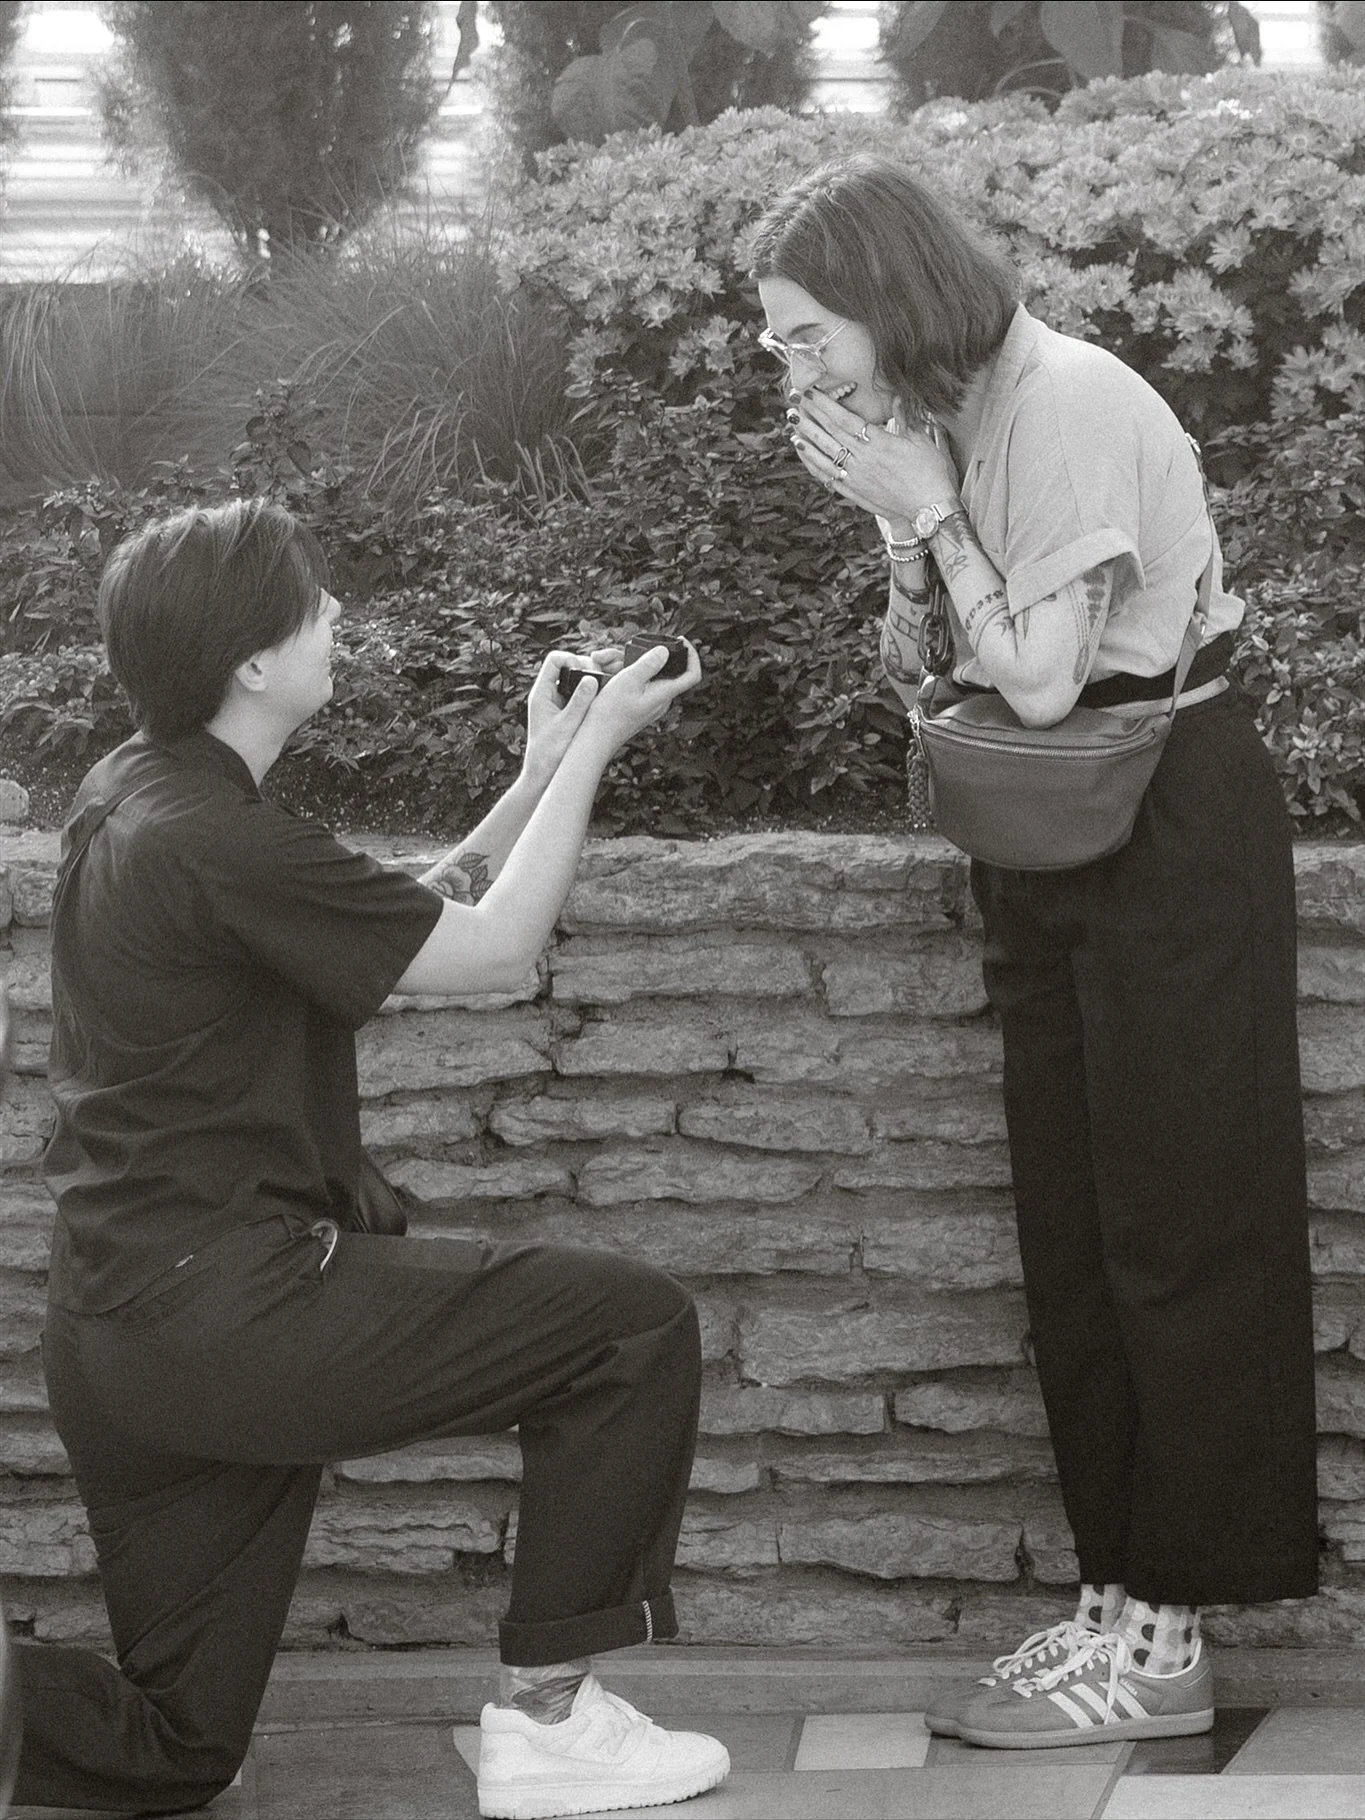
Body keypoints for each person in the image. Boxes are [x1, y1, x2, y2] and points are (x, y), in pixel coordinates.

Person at [10, 498, 730, 1818]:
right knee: (628, 1332)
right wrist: (603, 751)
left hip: (119, 1335)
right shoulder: (218, 835)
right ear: (252, 663)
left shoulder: (136, 797)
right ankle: (551, 1717)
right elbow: (498, 956)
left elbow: (392, 911)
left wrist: (537, 764)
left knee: (170, 1748)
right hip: (233, 1313)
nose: (337, 614)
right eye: (312, 602)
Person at [750, 157, 1318, 1750]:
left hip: (1160, 822)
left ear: (887, 298)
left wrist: (919, 510)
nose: (794, 371)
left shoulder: (1059, 402)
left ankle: (1167, 1636)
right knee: (1075, 1239)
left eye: (806, 337)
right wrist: (908, 528)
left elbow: (1049, 682)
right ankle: (1114, 1604)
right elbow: (926, 662)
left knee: (1178, 1233)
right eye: (779, 347)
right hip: (1055, 840)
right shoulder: (956, 418)